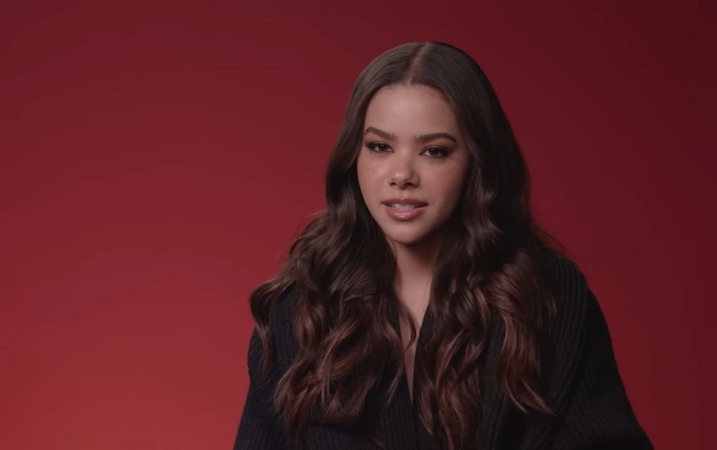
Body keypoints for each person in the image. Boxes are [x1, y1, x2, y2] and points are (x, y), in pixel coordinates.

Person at [234, 41, 652, 450]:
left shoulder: (550, 296)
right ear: (353, 156)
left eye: (434, 151)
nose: (401, 174)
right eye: (379, 146)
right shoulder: (298, 309)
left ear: (476, 162)